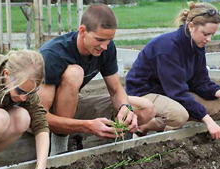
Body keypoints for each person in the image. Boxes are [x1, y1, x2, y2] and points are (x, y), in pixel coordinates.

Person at [38, 4, 155, 152]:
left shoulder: (106, 47)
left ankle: (99, 151)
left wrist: (125, 109)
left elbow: (115, 90)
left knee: (146, 108)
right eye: (99, 40)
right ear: (82, 31)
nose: (105, 46)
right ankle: (60, 148)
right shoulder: (52, 55)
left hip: (71, 103)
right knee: (75, 73)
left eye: (109, 40)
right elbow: (40, 116)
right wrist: (88, 125)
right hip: (39, 113)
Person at [126, 2, 220, 140]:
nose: (209, 39)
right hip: (145, 93)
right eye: (206, 34)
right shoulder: (167, 49)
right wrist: (208, 121)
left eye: (212, 35)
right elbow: (178, 93)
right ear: (191, 26)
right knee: (178, 115)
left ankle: (154, 125)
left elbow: (200, 81)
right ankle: (149, 129)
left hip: (170, 93)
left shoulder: (197, 44)